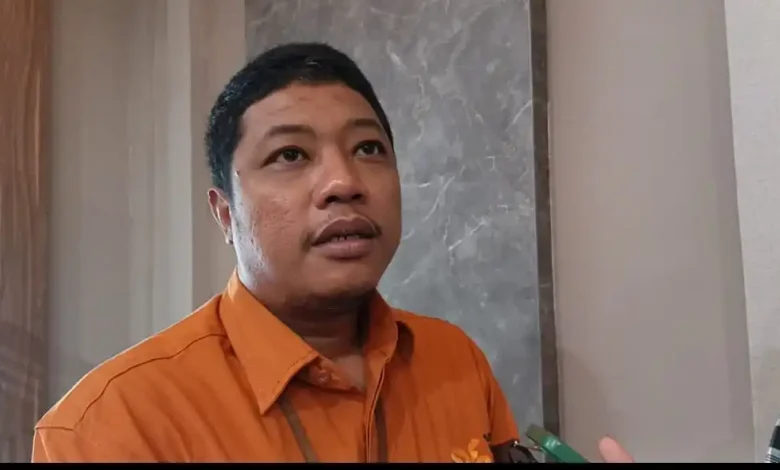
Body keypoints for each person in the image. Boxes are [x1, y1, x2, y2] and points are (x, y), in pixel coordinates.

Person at [31, 42, 634, 463]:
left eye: (368, 148)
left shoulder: (455, 361)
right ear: (225, 213)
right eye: (290, 155)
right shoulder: (109, 425)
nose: (344, 182)